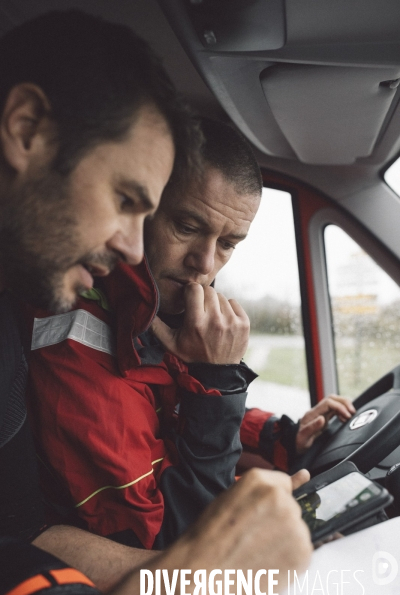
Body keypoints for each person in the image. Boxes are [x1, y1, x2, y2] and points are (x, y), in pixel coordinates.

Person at [0, 9, 312, 595]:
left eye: (228, 244)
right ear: (25, 129)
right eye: (125, 199)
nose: (132, 247)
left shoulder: (136, 316)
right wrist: (210, 575)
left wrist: (280, 435)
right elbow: (157, 532)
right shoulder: (70, 325)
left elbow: (21, 542)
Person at [24, 119, 354, 553]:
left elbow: (172, 405)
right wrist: (216, 379)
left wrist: (279, 436)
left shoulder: (152, 310)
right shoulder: (74, 344)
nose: (204, 263)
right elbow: (171, 542)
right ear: (142, 211)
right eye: (187, 226)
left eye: (228, 243)